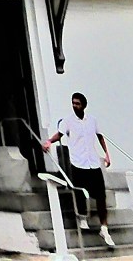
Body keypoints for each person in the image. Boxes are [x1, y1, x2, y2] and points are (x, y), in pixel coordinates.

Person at [42, 92, 113, 247]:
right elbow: (59, 135)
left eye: (78, 104)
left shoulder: (92, 120)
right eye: (73, 103)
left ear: (84, 105)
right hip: (78, 162)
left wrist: (107, 154)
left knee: (101, 196)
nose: (75, 106)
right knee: (80, 191)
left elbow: (100, 137)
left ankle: (104, 228)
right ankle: (82, 218)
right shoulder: (68, 121)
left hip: (93, 162)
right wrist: (48, 142)